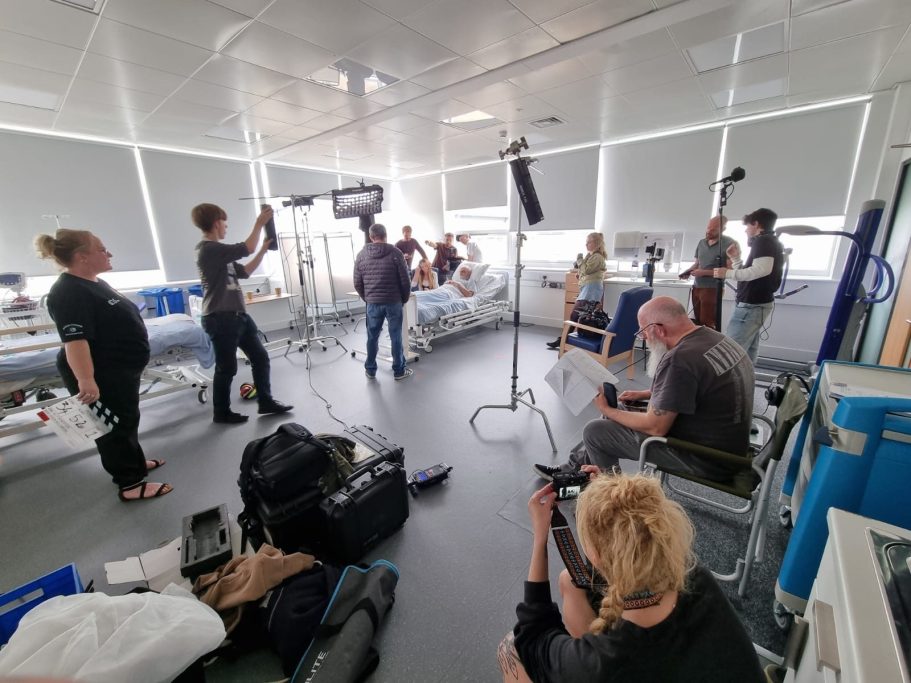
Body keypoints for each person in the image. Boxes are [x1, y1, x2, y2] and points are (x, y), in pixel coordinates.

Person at [497, 473, 764, 682]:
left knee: (509, 648)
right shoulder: (695, 577)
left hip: (611, 669)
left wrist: (540, 537)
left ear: (597, 555)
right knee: (571, 579)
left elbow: (531, 636)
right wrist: (610, 493)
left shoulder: (603, 664)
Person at [534, 296, 753, 482]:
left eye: (643, 332)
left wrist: (607, 410)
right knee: (620, 408)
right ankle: (576, 468)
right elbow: (700, 386)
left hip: (706, 459)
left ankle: (613, 499)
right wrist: (648, 394)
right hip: (727, 447)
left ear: (658, 329)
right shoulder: (713, 337)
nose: (644, 338)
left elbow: (656, 428)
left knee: (596, 431)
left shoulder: (681, 359)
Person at [36, 229, 172, 502]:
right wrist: (86, 379)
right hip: (99, 373)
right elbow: (75, 342)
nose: (109, 253)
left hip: (119, 370)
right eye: (101, 249)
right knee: (112, 427)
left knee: (127, 419)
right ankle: (130, 483)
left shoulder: (94, 283)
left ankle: (134, 463)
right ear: (82, 257)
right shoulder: (67, 292)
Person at [192, 203, 293, 424]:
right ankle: (221, 413)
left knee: (260, 357)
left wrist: (264, 249)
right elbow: (247, 247)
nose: (226, 227)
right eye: (225, 223)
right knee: (227, 368)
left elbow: (246, 271)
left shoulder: (220, 254)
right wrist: (259, 223)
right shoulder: (208, 250)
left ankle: (265, 401)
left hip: (238, 316)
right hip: (220, 318)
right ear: (216, 223)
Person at [714, 208, 784, 364]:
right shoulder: (770, 241)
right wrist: (736, 259)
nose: (746, 230)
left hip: (751, 306)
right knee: (747, 352)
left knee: (730, 352)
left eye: (747, 226)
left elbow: (761, 270)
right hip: (755, 304)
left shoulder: (763, 241)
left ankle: (726, 380)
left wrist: (727, 273)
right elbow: (749, 274)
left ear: (756, 224)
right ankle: (746, 378)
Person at [354, 223, 413, 381]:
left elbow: (357, 283)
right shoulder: (396, 253)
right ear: (386, 235)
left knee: (372, 336)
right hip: (394, 302)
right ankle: (399, 371)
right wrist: (404, 299)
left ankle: (370, 370)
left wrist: (368, 298)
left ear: (371, 237)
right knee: (396, 336)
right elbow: (405, 280)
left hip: (373, 303)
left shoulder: (361, 255)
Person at [546, 232, 608, 349]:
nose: (586, 244)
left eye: (588, 242)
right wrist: (581, 275)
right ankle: (564, 341)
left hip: (591, 291)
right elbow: (587, 271)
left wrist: (579, 259)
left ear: (596, 243)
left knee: (575, 315)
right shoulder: (592, 256)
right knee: (578, 317)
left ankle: (562, 341)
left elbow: (587, 270)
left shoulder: (597, 257)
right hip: (589, 290)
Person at [678, 215, 737, 329]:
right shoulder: (701, 243)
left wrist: (704, 272)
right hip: (697, 287)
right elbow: (697, 264)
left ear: (723, 229)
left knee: (707, 324)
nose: (709, 231)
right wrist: (688, 271)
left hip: (713, 289)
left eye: (713, 229)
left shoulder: (729, 243)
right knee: (697, 323)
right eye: (708, 228)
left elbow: (730, 270)